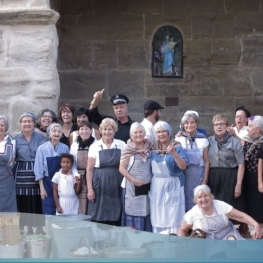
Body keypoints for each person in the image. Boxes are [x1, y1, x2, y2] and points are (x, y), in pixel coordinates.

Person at [178, 185, 262, 240]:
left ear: (210, 197)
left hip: (230, 237)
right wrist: (182, 244)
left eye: (205, 196)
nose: (203, 199)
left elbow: (241, 216)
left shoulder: (220, 205)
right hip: (209, 244)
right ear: (196, 200)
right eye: (199, 197)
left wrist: (256, 224)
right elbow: (182, 230)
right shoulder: (193, 213)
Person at [150, 121, 188, 234]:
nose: (161, 134)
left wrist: (173, 154)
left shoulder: (176, 147)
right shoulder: (152, 147)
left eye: (163, 131)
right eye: (158, 132)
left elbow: (184, 166)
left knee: (173, 215)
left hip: (173, 184)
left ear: (169, 132)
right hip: (157, 186)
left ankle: (174, 238)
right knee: (158, 215)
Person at [34, 123, 80, 215]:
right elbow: (38, 170)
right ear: (49, 134)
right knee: (48, 209)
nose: (57, 133)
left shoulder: (65, 148)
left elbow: (71, 164)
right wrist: (42, 189)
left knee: (63, 208)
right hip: (47, 183)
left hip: (63, 182)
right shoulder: (42, 149)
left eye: (59, 131)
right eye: (54, 131)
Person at [86, 118, 126, 225]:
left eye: (110, 129)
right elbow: (89, 170)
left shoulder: (121, 145)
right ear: (100, 130)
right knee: (99, 212)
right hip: (100, 182)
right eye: (104, 129)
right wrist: (90, 189)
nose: (107, 132)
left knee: (116, 210)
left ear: (114, 131)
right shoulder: (94, 146)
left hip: (117, 181)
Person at [207, 114, 245, 225]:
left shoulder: (234, 142)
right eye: (216, 124)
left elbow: (241, 164)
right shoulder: (209, 141)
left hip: (230, 176)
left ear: (227, 126)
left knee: (229, 204)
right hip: (214, 176)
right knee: (214, 204)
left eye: (221, 124)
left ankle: (232, 231)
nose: (218, 127)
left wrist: (238, 184)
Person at [14, 112, 46, 233]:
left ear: (34, 123)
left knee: (36, 200)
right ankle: (23, 229)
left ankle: (38, 229)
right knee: (22, 200)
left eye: (29, 121)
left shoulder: (41, 138)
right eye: (24, 121)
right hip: (21, 173)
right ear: (20, 124)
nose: (27, 124)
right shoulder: (15, 139)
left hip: (36, 172)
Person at [119, 122, 152, 231]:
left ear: (145, 133)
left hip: (147, 188)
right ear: (131, 135)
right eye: (135, 132)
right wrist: (134, 180)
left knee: (147, 212)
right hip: (132, 188)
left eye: (140, 132)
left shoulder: (150, 146)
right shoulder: (128, 149)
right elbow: (121, 169)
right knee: (134, 215)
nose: (138, 135)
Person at [175, 112, 209, 211]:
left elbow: (207, 161)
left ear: (196, 124)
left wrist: (205, 180)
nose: (189, 125)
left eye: (192, 122)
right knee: (183, 199)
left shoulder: (203, 139)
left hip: (198, 175)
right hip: (183, 175)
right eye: (186, 123)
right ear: (183, 125)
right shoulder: (178, 139)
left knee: (198, 198)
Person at [70, 121, 95, 214]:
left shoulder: (96, 144)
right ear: (78, 131)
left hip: (94, 176)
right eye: (81, 129)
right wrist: (76, 175)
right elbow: (72, 163)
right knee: (82, 203)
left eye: (87, 129)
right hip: (80, 178)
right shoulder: (74, 145)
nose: (84, 131)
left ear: (91, 131)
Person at [243, 116, 263, 228]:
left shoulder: (261, 143)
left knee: (258, 204)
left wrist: (260, 181)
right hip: (248, 176)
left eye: (249, 126)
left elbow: (260, 162)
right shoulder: (248, 141)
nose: (247, 129)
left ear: (258, 129)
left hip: (258, 177)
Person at [0, 115, 17, 212]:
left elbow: (13, 159)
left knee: (7, 203)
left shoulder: (11, 141)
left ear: (6, 127)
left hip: (7, 177)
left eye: (2, 125)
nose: (0, 127)